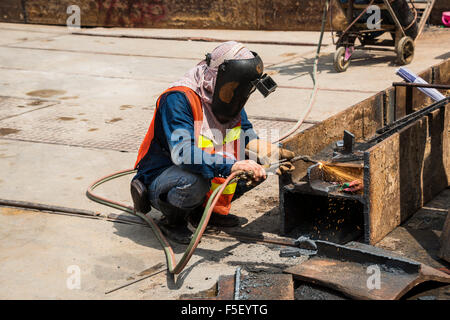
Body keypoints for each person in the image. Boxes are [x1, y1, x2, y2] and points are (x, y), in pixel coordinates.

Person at [130, 41, 295, 244]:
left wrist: (266, 151)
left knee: (257, 165)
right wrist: (233, 165)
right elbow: (184, 154)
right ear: (217, 77)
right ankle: (173, 221)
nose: (236, 94)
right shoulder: (178, 99)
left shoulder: (227, 97)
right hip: (164, 174)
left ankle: (204, 212)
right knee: (195, 182)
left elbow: (242, 134)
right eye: (233, 87)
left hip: (201, 166)